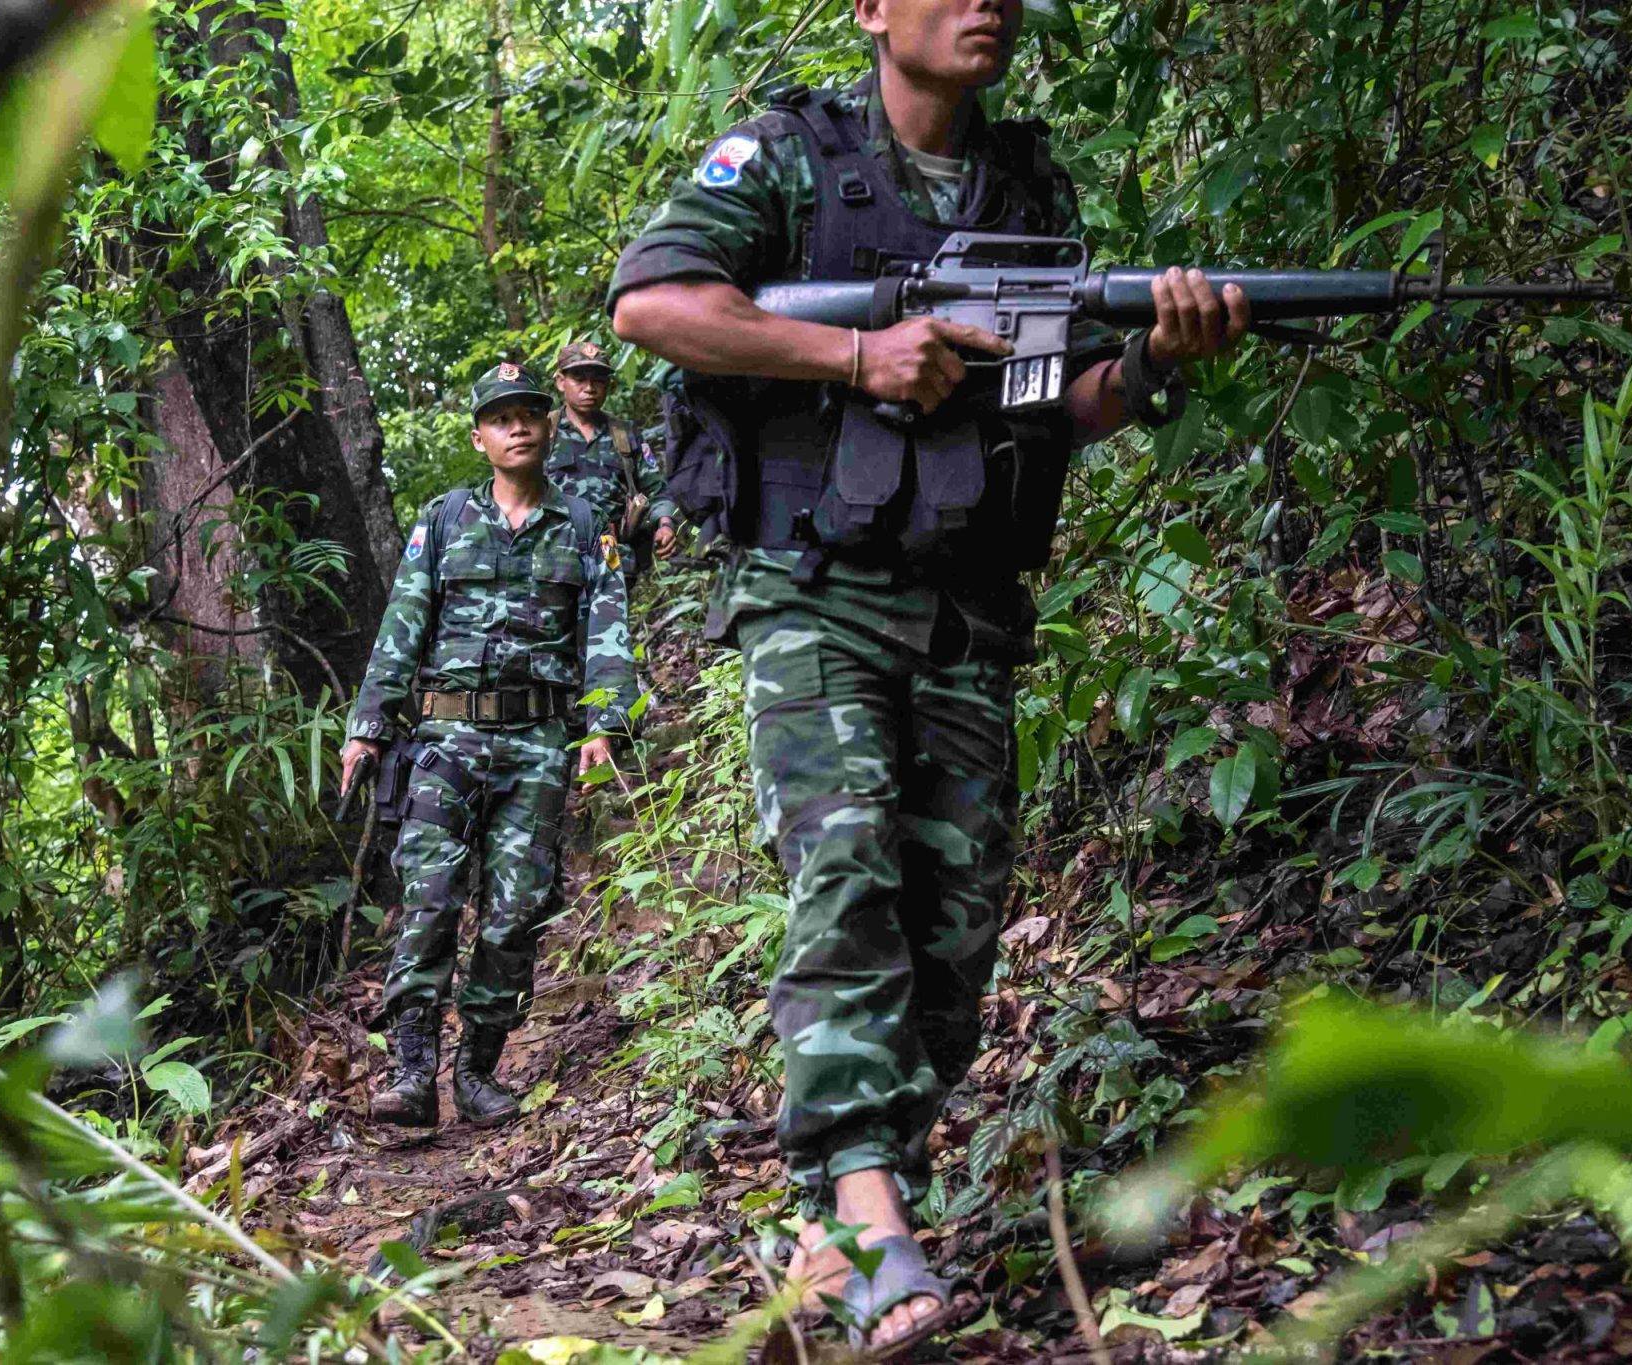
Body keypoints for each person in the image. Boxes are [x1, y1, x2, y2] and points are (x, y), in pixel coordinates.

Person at [607, 0, 1245, 1352]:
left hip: (964, 605)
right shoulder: (787, 159)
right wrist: (856, 355)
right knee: (846, 874)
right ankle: (875, 1221)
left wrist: (1148, 362)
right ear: (872, 11)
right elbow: (654, 304)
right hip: (814, 591)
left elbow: (1055, 407)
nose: (988, 5)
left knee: (950, 938)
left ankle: (830, 1230)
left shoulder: (1027, 185)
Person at [339, 361, 636, 1130]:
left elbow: (607, 632)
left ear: (545, 427)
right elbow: (401, 624)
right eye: (501, 417)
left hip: (537, 744)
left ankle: (476, 1070)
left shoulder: (579, 526)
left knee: (515, 909)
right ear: (479, 436)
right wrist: (368, 727)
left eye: (529, 413)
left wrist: (601, 724)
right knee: (429, 900)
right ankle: (412, 1071)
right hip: (445, 739)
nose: (518, 426)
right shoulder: (443, 519)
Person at [548, 338, 681, 582]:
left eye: (598, 379)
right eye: (579, 379)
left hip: (610, 548)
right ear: (560, 382)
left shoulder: (625, 434)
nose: (589, 387)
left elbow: (656, 490)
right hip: (554, 556)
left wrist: (665, 524)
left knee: (611, 616)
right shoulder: (542, 431)